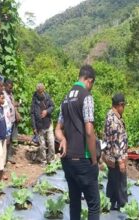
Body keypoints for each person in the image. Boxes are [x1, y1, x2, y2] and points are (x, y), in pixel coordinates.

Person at [55, 65, 100, 220]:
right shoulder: (86, 96)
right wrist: (94, 160)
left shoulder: (65, 98)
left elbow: (57, 129)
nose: (91, 87)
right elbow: (89, 131)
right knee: (93, 205)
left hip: (67, 160)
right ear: (89, 80)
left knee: (75, 203)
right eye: (92, 84)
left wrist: (63, 139)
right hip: (83, 159)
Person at [103, 93, 128, 211]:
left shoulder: (111, 115)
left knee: (113, 181)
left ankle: (110, 203)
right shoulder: (114, 120)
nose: (124, 109)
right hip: (116, 158)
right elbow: (115, 143)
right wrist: (121, 161)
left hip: (112, 157)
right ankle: (123, 207)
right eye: (124, 106)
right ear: (120, 105)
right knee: (121, 183)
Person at [30, 83, 55, 165]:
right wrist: (34, 127)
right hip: (39, 125)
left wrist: (46, 111)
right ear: (37, 91)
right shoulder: (34, 99)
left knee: (51, 142)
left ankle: (51, 160)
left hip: (48, 123)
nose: (41, 93)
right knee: (42, 145)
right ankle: (43, 160)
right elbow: (32, 114)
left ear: (43, 90)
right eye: (39, 92)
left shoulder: (47, 97)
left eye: (42, 91)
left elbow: (52, 106)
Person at [4, 79, 19, 164]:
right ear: (5, 86)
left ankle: (9, 157)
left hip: (12, 120)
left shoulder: (11, 94)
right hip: (7, 121)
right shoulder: (3, 95)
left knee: (11, 140)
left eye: (11, 88)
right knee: (7, 140)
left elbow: (12, 105)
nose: (11, 89)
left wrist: (16, 105)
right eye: (9, 88)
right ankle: (5, 158)